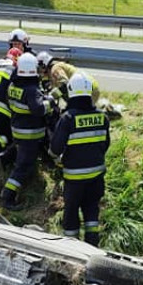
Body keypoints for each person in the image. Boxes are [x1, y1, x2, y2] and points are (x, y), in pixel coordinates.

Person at [50, 71, 110, 246]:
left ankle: (71, 249)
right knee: (92, 212)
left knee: (71, 213)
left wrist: (57, 159)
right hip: (97, 176)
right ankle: (92, 248)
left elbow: (55, 149)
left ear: (70, 92)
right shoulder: (102, 117)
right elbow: (105, 145)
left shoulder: (68, 118)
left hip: (74, 179)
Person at [2, 52, 53, 210]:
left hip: (18, 130)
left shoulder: (13, 85)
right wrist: (50, 103)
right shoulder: (31, 89)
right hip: (30, 134)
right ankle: (8, 196)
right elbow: (38, 109)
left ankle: (4, 157)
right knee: (24, 166)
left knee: (23, 156)